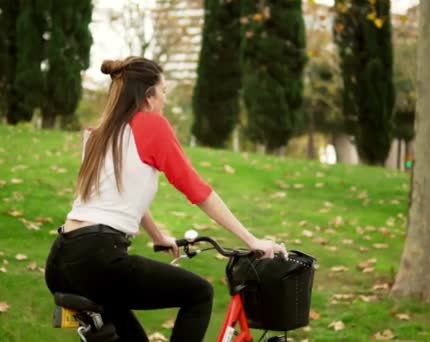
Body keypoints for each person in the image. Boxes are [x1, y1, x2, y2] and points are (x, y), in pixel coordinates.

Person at [44, 56, 287, 342]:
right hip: (98, 261)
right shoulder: (151, 126)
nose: (165, 101)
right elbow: (198, 191)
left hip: (61, 260)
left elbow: (119, 197)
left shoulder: (99, 134)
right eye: (164, 93)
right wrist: (252, 240)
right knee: (199, 294)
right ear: (148, 97)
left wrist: (158, 235)